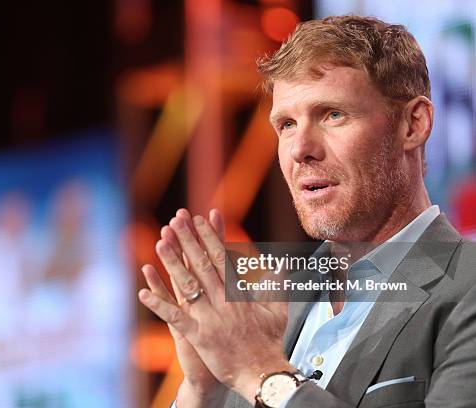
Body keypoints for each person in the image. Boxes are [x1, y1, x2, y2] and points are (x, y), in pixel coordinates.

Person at [138, 15, 476, 408]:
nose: (300, 149)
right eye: (286, 124)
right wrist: (202, 390)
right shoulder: (269, 308)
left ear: (413, 124)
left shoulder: (465, 287)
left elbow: (262, 374)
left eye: (332, 114)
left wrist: (264, 374)